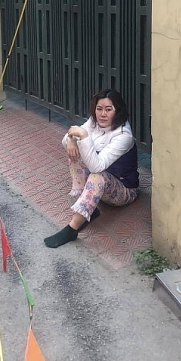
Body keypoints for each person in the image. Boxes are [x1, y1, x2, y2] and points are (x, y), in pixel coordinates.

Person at [44, 89, 140, 248]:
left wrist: (82, 135)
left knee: (97, 176)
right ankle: (89, 207)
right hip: (101, 181)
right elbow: (68, 141)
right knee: (75, 153)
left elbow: (96, 167)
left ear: (118, 111)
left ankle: (72, 229)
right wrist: (71, 139)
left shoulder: (124, 136)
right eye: (99, 109)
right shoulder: (93, 122)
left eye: (108, 109)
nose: (102, 114)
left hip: (124, 190)